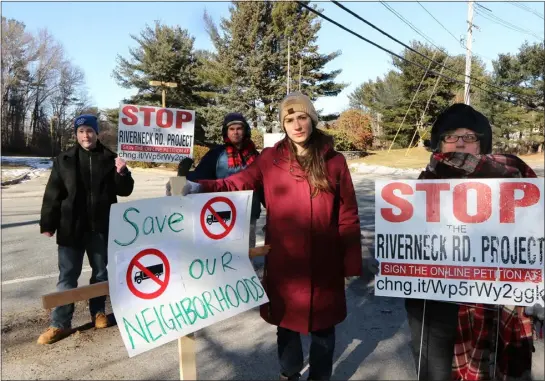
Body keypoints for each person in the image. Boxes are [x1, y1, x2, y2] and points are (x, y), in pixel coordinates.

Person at [182, 92, 363, 380]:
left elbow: (348, 214)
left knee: (324, 331)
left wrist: (351, 262)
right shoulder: (270, 159)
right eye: (289, 119)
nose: (297, 124)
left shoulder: (335, 161)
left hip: (324, 261)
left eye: (302, 117)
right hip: (285, 261)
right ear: (283, 124)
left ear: (312, 120)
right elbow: (236, 182)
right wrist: (198, 187)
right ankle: (288, 374)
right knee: (287, 326)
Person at [402, 103, 543, 380]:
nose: (461, 143)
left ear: (481, 142)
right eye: (451, 136)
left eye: (469, 137)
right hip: (439, 296)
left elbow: (536, 232)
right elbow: (410, 240)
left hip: (493, 294)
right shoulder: (426, 179)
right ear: (440, 142)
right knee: (438, 368)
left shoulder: (512, 173)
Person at [38, 114, 134, 344]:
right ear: (76, 134)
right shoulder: (65, 159)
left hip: (100, 227)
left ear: (97, 132)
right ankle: (60, 323)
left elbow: (125, 190)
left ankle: (98, 312)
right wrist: (48, 223)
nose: (86, 135)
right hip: (71, 227)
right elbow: (53, 193)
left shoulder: (109, 158)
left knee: (100, 273)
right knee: (67, 276)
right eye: (81, 131)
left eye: (89, 131)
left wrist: (123, 172)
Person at [167, 112, 263, 248]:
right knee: (224, 253)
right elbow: (198, 178)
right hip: (221, 213)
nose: (235, 132)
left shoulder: (255, 156)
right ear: (226, 132)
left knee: (247, 255)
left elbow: (264, 184)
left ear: (245, 131)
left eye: (239, 128)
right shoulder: (216, 154)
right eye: (231, 129)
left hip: (249, 213)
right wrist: (178, 182)